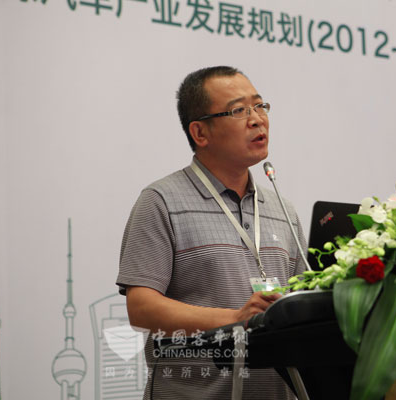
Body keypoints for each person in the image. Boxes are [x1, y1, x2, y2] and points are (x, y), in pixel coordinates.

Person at [116, 66, 307, 399]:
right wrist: (235, 318)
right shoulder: (161, 201)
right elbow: (141, 308)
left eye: (260, 106)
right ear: (200, 133)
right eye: (239, 110)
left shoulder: (282, 209)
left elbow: (302, 302)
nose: (257, 120)